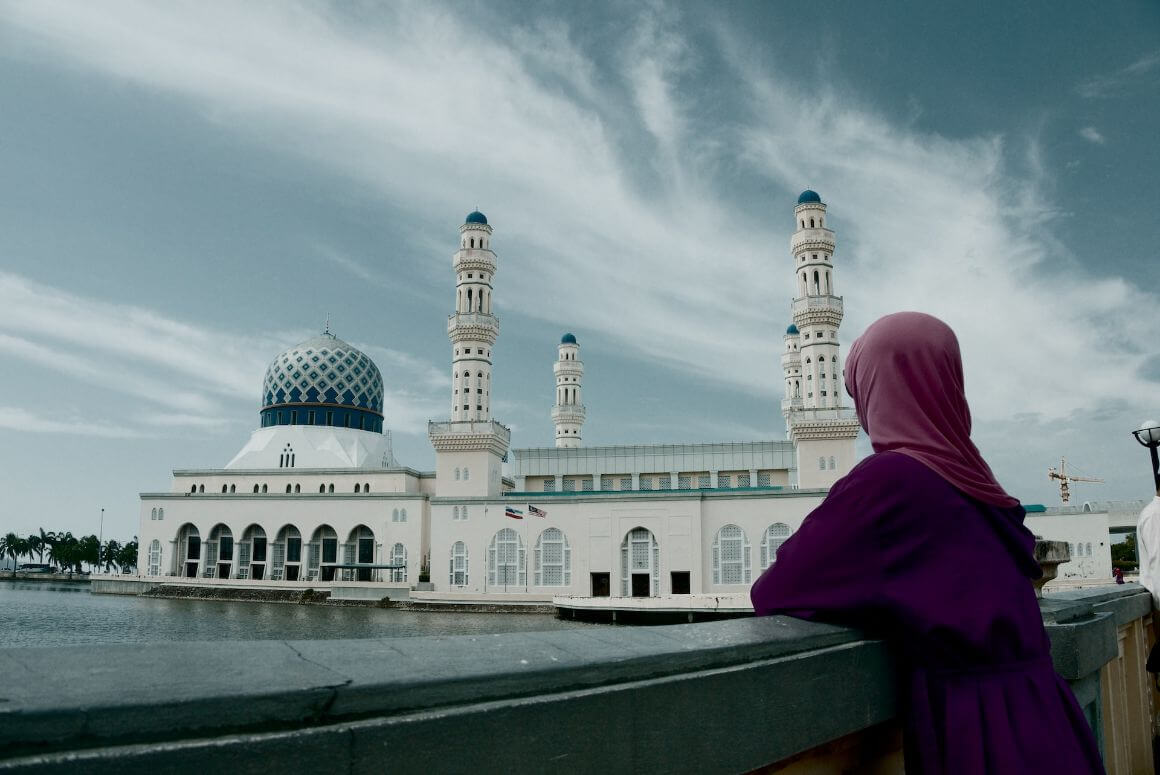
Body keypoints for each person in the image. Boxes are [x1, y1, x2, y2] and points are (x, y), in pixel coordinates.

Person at [751, 312, 1103, 774]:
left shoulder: (889, 481)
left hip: (981, 738)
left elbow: (776, 589)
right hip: (1051, 720)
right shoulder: (979, 485)